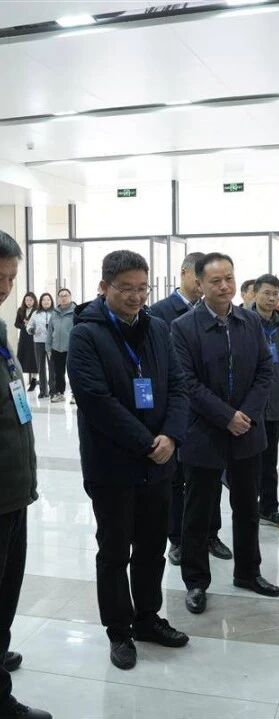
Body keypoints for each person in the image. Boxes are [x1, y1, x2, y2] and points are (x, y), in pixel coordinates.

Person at [67, 250, 189, 671]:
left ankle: (147, 618)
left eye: (142, 288)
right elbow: (95, 400)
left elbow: (178, 386)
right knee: (115, 550)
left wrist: (170, 436)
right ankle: (119, 630)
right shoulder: (86, 334)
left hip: (159, 463)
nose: (136, 297)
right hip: (112, 466)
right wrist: (146, 443)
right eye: (125, 289)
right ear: (104, 287)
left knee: (153, 547)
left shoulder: (158, 329)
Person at [171, 252, 279, 614]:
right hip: (204, 432)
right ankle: (195, 582)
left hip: (246, 431)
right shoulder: (184, 327)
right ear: (199, 283)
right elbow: (187, 382)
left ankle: (248, 572)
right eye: (215, 281)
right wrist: (226, 416)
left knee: (247, 507)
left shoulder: (249, 321)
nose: (224, 286)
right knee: (198, 512)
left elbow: (265, 370)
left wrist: (244, 414)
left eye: (229, 278)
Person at [149, 252, 231, 567]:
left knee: (211, 476)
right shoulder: (160, 312)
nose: (203, 284)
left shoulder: (214, 311)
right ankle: (178, 539)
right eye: (201, 278)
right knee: (176, 479)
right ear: (185, 274)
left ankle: (211, 534)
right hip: (175, 409)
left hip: (208, 410)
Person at [0, 232, 51, 719]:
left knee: (7, 589)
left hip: (14, 488)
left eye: (12, 277)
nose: (5, 286)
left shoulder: (0, 329)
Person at [251, 274, 279, 529]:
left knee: (270, 460)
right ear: (255, 293)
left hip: (274, 405)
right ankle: (248, 509)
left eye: (275, 294)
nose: (271, 298)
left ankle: (269, 508)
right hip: (250, 407)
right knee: (248, 462)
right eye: (266, 293)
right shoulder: (243, 323)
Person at [46, 288, 75, 404]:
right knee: (58, 373)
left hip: (71, 348)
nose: (63, 298)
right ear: (58, 298)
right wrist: (48, 347)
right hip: (56, 348)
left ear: (70, 297)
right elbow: (50, 331)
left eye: (66, 295)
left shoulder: (76, 312)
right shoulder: (54, 312)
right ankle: (59, 393)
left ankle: (75, 394)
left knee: (73, 372)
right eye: (61, 296)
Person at [27, 293, 55, 399]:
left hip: (52, 343)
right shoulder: (36, 313)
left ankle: (53, 390)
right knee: (41, 367)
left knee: (52, 367)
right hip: (38, 342)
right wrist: (32, 330)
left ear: (51, 301)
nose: (46, 301)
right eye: (44, 300)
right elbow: (29, 326)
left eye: (48, 299)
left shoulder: (55, 313)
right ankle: (43, 391)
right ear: (40, 302)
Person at [13, 293, 38, 393]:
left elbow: (39, 325)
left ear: (34, 301)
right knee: (21, 359)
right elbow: (16, 324)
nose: (28, 302)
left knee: (33, 359)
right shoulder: (20, 310)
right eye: (27, 300)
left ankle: (34, 380)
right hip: (23, 338)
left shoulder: (37, 310)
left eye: (30, 300)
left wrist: (30, 326)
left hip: (33, 337)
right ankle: (21, 382)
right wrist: (25, 326)